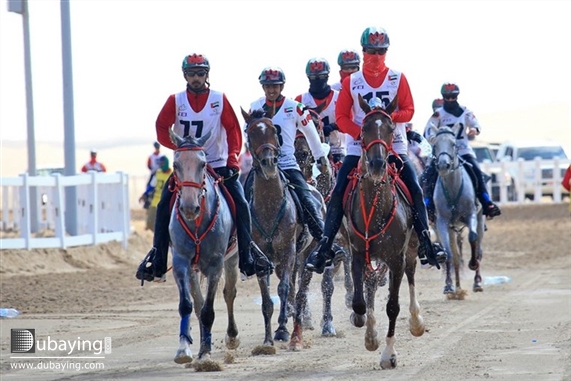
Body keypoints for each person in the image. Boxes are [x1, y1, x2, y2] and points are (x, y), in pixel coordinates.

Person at [306, 26, 446, 274]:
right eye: (371, 51)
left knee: (414, 186)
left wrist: (388, 117)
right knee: (338, 190)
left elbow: (409, 110)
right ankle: (324, 246)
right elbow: (342, 115)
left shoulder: (398, 78)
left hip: (395, 146)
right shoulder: (352, 82)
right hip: (359, 148)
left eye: (381, 51)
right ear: (364, 51)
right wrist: (363, 134)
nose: (376, 55)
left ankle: (426, 241)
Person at [136, 53, 273, 284]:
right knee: (162, 206)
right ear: (185, 76)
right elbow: (161, 126)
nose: (196, 78)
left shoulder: (219, 99)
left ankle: (248, 257)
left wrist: (232, 159)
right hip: (188, 168)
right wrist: (182, 149)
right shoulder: (175, 100)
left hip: (216, 164)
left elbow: (233, 131)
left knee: (240, 203)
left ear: (207, 75)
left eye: (200, 73)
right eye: (192, 74)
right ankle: (157, 260)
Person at [245, 66, 332, 246]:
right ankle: (245, 248)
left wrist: (320, 158)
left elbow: (311, 133)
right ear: (262, 87)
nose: (271, 90)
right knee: (243, 197)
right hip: (261, 166)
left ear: (282, 86)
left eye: (275, 86)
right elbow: (249, 134)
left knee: (306, 198)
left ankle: (324, 243)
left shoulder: (296, 107)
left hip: (287, 164)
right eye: (268, 86)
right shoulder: (254, 107)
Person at [422, 83, 502, 221]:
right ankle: (428, 207)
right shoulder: (438, 114)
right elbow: (428, 129)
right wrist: (432, 138)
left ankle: (487, 203)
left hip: (463, 150)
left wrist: (475, 130)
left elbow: (475, 123)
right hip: (444, 152)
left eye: (453, 96)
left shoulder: (465, 111)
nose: (451, 100)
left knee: (477, 173)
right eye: (447, 97)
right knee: (428, 176)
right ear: (444, 97)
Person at [295, 57, 345, 164]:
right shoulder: (300, 100)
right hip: (309, 152)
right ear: (308, 77)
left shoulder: (340, 97)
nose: (317, 80)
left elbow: (349, 121)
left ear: (327, 76)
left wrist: (334, 126)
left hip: (337, 150)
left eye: (321, 77)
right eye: (313, 77)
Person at [140, 156, 172, 231]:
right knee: (150, 223)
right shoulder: (158, 173)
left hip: (167, 202)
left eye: (162, 164)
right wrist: (145, 194)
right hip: (155, 202)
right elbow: (151, 186)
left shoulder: (172, 174)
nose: (160, 166)